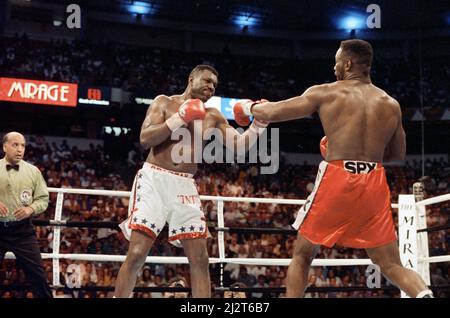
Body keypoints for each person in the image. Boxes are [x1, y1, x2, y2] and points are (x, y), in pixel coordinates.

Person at [234, 39, 433, 298]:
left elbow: (273, 113)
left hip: (338, 176)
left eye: (337, 61)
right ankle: (425, 295)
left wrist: (248, 107)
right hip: (374, 179)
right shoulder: (391, 104)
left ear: (347, 63)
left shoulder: (327, 92)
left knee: (303, 254)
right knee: (392, 264)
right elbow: (397, 155)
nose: (334, 66)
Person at [114, 64, 267, 298]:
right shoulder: (163, 102)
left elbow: (240, 146)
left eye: (214, 84)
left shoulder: (213, 116)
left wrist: (259, 124)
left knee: (200, 259)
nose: (210, 87)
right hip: (154, 179)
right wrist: (179, 118)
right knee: (136, 253)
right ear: (191, 79)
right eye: (206, 81)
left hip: (185, 184)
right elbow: (145, 139)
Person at [0, 132, 52, 298]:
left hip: (23, 231)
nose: (20, 149)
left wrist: (30, 209)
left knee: (38, 275)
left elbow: (43, 198)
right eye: (15, 145)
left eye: (22, 145)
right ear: (4, 147)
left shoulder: (33, 171)